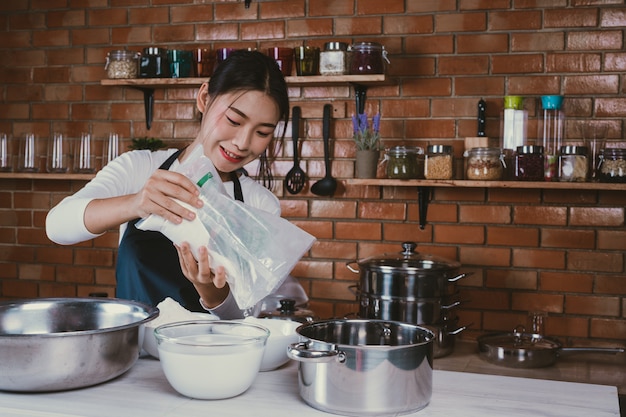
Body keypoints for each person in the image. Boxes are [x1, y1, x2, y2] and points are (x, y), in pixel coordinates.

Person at [46, 50, 305, 319]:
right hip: (137, 355)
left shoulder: (260, 204)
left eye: (262, 132)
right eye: (234, 120)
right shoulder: (140, 167)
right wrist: (136, 202)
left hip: (208, 355)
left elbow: (244, 318)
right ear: (204, 98)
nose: (242, 142)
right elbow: (56, 227)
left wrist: (210, 291)